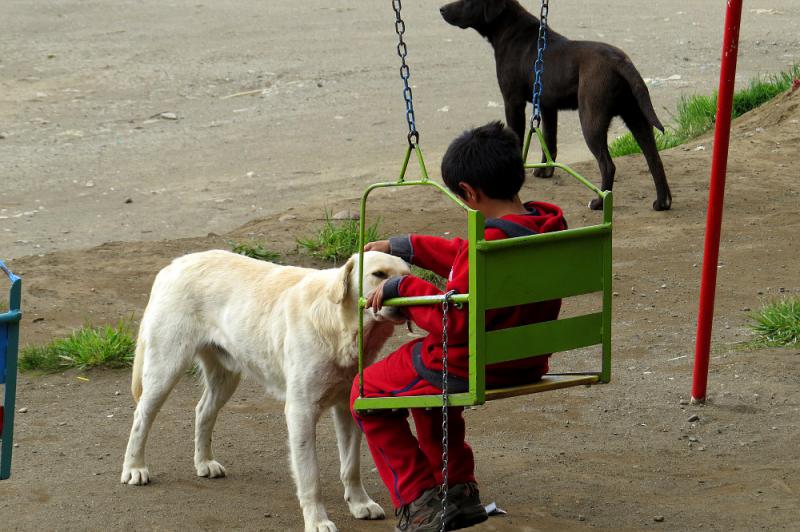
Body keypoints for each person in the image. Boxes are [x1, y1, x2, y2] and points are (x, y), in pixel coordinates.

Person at [350, 121, 567, 532]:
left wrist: (405, 286)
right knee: (425, 390)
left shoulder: (486, 243)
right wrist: (408, 246)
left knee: (365, 391)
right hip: (525, 358)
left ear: (469, 192)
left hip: (473, 361)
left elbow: (454, 323)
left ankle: (419, 499)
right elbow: (466, 253)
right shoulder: (546, 227)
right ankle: (457, 489)